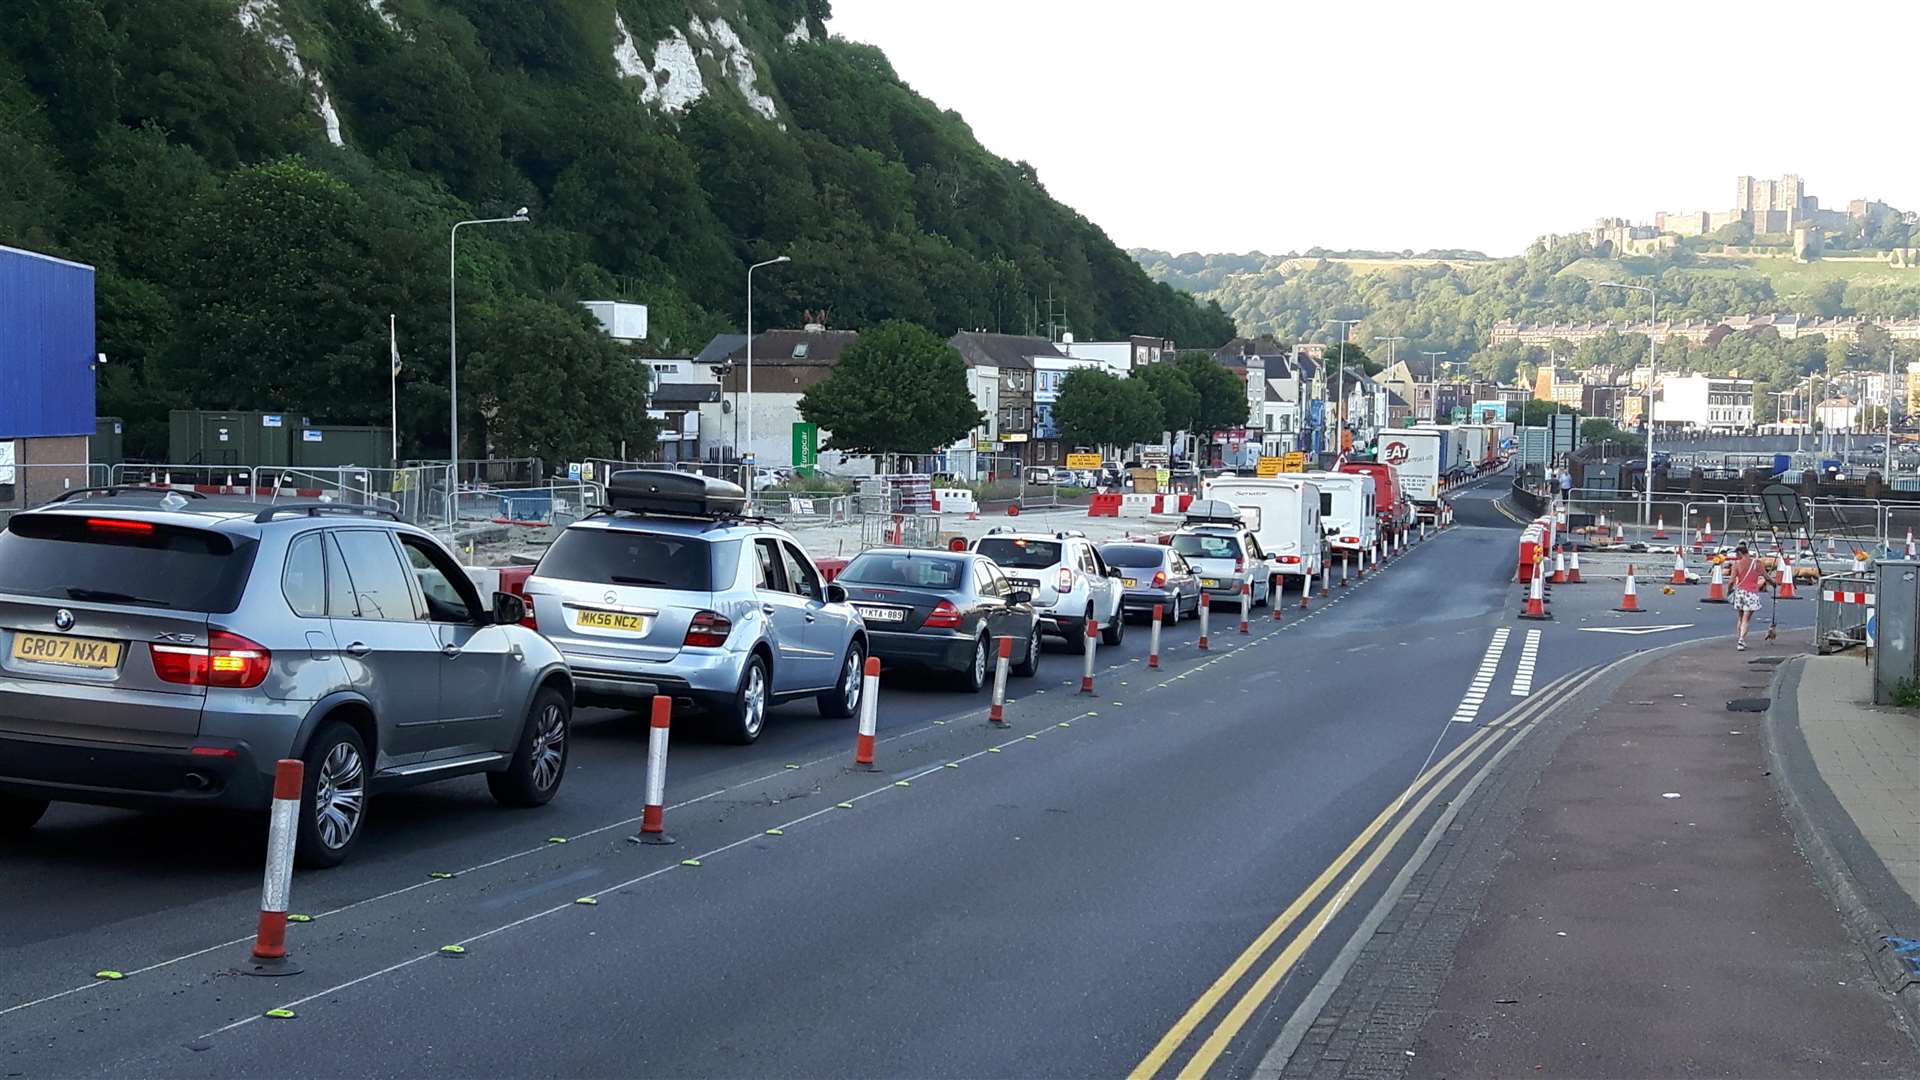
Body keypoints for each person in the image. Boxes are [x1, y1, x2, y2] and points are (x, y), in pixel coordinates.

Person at [1728, 542, 1768, 650]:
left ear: (1740, 553)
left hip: (1740, 592)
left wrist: (1729, 591)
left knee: (1740, 618)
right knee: (1746, 619)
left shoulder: (1736, 564)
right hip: (1751, 593)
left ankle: (1740, 639)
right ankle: (1741, 640)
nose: (1736, 556)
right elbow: (1766, 576)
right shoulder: (1757, 563)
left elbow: (1731, 581)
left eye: (1737, 554)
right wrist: (1773, 584)